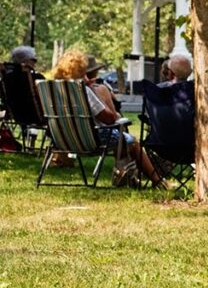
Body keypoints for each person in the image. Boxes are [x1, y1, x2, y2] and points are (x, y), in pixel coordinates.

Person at [51, 50, 164, 186]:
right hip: (91, 139)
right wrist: (99, 97)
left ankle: (129, 177)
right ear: (81, 72)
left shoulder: (52, 90)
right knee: (132, 142)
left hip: (61, 138)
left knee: (123, 140)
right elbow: (109, 119)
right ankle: (158, 181)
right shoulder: (84, 91)